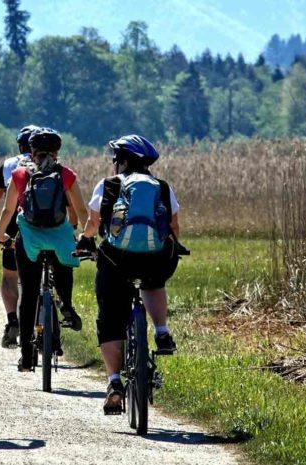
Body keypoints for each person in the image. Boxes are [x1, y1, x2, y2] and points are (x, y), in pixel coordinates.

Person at [75, 134, 181, 413]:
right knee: (154, 282)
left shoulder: (109, 185)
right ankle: (161, 330)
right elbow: (173, 227)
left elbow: (94, 221)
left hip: (116, 260)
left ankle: (114, 382)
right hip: (154, 259)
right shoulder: (162, 187)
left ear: (122, 161)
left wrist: (85, 240)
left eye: (115, 159)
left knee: (109, 317)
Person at [0, 127, 89, 372]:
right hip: (59, 237)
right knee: (65, 265)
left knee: (28, 297)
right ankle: (66, 304)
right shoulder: (66, 174)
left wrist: (0, 234)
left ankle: (26, 356)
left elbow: (7, 211)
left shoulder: (19, 174)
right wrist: (85, 236)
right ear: (57, 152)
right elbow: (81, 212)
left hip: (30, 239)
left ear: (31, 150)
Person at [0, 125, 39, 349]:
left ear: (20, 145)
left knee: (10, 275)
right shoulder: (53, 164)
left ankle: (13, 319)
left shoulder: (9, 165)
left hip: (15, 225)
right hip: (46, 227)